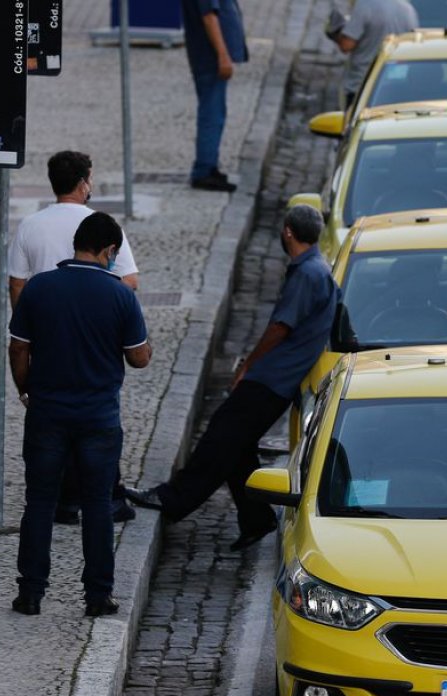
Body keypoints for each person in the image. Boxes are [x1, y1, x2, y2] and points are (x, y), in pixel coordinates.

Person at [125, 206, 337, 551]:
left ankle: (173, 497)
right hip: (280, 378)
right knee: (237, 447)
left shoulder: (308, 274)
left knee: (220, 437)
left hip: (272, 378)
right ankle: (257, 519)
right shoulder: (318, 268)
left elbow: (280, 327)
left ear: (287, 232)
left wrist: (248, 365)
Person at [8, 212, 151, 617]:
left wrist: (25, 389)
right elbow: (138, 358)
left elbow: (18, 347)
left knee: (39, 501)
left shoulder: (40, 288)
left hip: (47, 412)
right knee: (97, 504)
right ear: (108, 251)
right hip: (98, 418)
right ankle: (97, 595)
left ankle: (31, 593)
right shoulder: (121, 295)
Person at [8, 150, 139, 524]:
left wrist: (30, 324)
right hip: (95, 333)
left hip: (46, 334)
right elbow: (129, 281)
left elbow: (17, 284)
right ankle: (107, 496)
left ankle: (63, 500)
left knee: (52, 418)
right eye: (91, 179)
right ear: (84, 184)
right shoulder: (100, 224)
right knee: (99, 415)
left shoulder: (30, 226)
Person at [182, 0, 249, 192]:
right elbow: (209, 17)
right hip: (209, 57)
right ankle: (204, 170)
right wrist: (223, 55)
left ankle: (210, 165)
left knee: (215, 111)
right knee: (212, 114)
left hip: (206, 55)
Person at [328, 0, 418, 108]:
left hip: (363, 85)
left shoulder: (365, 6)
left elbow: (347, 45)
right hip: (397, 83)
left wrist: (335, 33)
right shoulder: (407, 9)